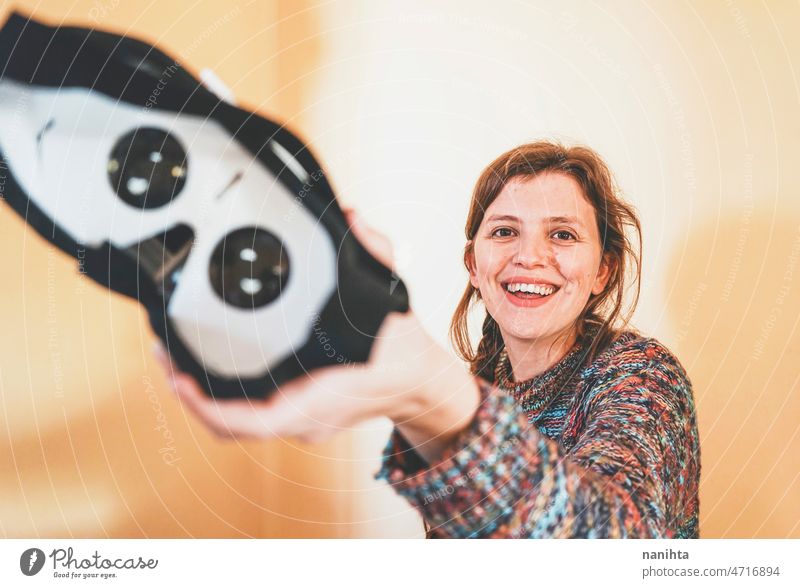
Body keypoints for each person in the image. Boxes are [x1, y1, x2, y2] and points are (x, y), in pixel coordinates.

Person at [154, 141, 701, 538]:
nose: (529, 256)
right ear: (474, 264)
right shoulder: (482, 387)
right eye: (505, 231)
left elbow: (621, 548)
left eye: (562, 234)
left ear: (602, 272)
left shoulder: (642, 375)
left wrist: (427, 392)